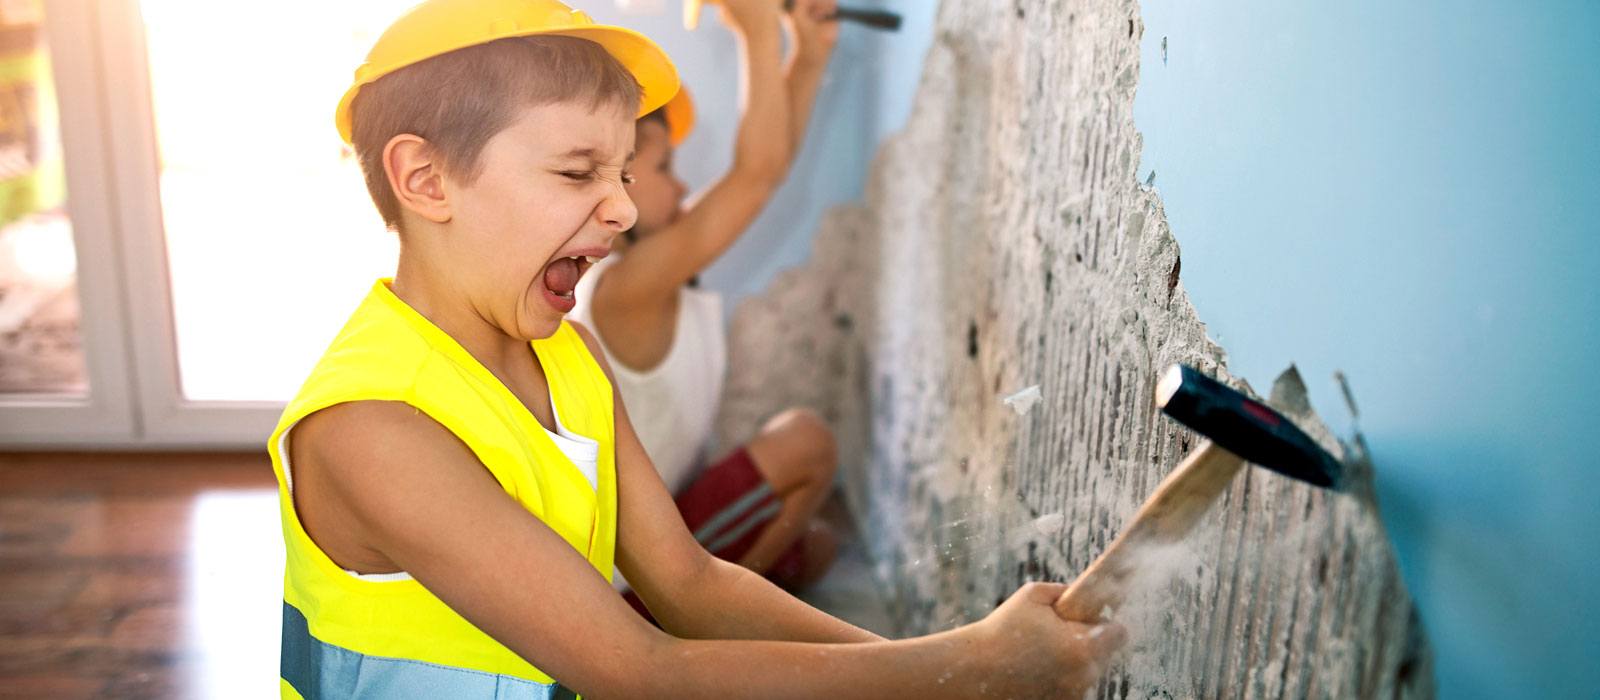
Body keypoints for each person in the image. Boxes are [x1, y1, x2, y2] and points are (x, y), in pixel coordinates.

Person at [269, 1, 1125, 697]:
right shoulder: (371, 427)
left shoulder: (571, 357)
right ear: (426, 180)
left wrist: (951, 658)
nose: (624, 212)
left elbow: (690, 586)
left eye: (626, 175)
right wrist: (968, 669)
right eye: (577, 173)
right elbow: (636, 669)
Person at [569, 0, 840, 595]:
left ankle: (719, 614)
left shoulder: (646, 268)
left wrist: (808, 55)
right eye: (666, 167)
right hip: (635, 578)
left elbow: (767, 169)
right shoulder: (622, 286)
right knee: (807, 441)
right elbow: (755, 176)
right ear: (614, 191)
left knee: (819, 541)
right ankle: (712, 621)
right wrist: (755, 30)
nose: (685, 186)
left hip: (664, 533)